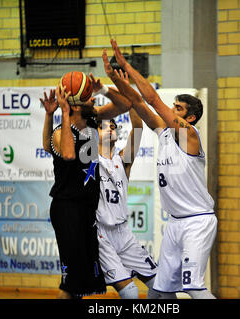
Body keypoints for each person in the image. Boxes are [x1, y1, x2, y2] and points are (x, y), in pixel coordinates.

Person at [109, 39, 218, 299]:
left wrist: (127, 66)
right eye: (173, 107)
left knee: (194, 287)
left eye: (178, 109)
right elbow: (138, 103)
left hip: (197, 222)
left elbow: (152, 98)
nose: (171, 111)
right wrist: (117, 79)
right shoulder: (164, 132)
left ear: (190, 118)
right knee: (159, 291)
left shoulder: (188, 134)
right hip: (175, 224)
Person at [40, 73, 133, 299]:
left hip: (87, 209)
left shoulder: (93, 121)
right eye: (90, 97)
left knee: (81, 282)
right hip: (67, 209)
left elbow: (125, 104)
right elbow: (69, 155)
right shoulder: (63, 132)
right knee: (71, 283)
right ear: (78, 107)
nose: (94, 100)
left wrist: (103, 90)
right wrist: (60, 112)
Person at [94, 62, 157, 299]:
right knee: (130, 292)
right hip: (102, 234)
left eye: (112, 125)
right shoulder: (89, 160)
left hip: (124, 233)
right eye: (103, 127)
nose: (110, 127)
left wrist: (127, 87)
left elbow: (138, 128)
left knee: (161, 286)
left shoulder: (123, 160)